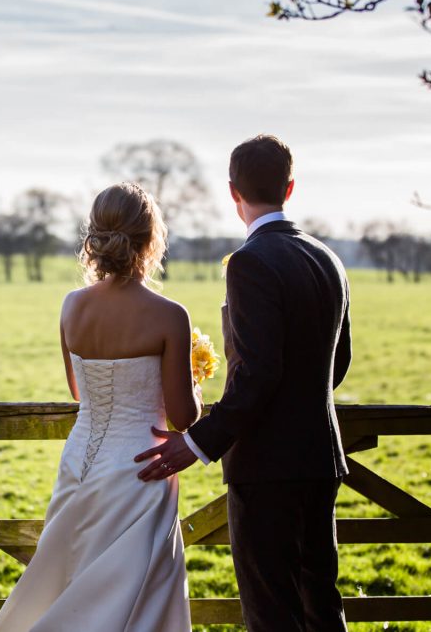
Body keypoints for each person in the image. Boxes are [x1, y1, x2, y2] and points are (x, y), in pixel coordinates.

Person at [135, 135, 352, 631]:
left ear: (233, 193)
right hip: (321, 457)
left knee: (271, 609)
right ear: (289, 188)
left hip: (265, 465)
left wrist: (197, 442)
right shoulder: (329, 260)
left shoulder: (250, 262)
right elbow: (338, 363)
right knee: (321, 602)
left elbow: (257, 373)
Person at [0, 182, 199, 632]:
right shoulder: (169, 316)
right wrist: (194, 381)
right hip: (140, 469)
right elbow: (184, 417)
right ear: (150, 239)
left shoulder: (72, 306)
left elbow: (79, 393)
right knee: (134, 595)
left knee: (71, 581)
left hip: (79, 461)